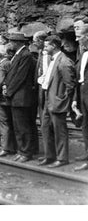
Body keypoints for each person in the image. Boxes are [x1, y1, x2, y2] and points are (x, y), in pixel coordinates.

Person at [39, 35, 76, 168]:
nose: (44, 48)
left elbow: (70, 85)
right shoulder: (52, 59)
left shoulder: (64, 62)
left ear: (54, 46)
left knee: (59, 131)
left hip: (56, 101)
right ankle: (49, 156)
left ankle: (62, 158)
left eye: (46, 45)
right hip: (48, 99)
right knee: (46, 128)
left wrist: (62, 100)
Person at [2, 31, 37, 162]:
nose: (9, 44)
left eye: (11, 42)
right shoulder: (19, 55)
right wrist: (6, 86)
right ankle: (22, 150)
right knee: (18, 126)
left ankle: (26, 152)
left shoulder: (25, 55)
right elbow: (12, 75)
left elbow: (20, 77)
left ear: (17, 43)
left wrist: (9, 91)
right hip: (17, 96)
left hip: (21, 97)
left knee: (23, 126)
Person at [0, 45, 17, 157]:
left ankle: (5, 148)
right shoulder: (10, 62)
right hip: (10, 97)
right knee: (11, 122)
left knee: (3, 123)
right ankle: (13, 147)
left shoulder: (1, 65)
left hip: (2, 99)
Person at [73, 33, 88, 171]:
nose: (78, 41)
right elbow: (79, 78)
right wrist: (75, 99)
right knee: (85, 126)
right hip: (83, 93)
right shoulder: (83, 54)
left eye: (80, 37)